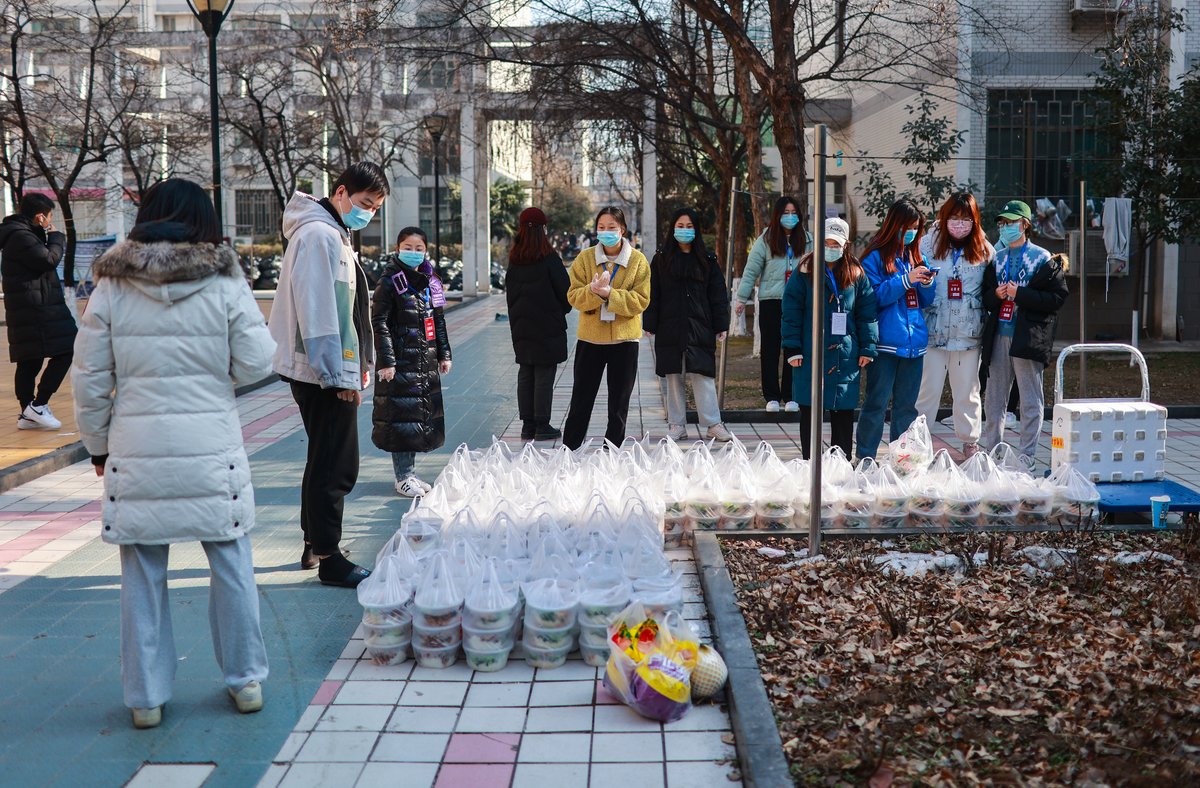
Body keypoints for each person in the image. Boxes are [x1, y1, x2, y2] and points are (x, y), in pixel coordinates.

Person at [71, 178, 275, 730]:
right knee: (231, 559)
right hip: (212, 443)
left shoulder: (111, 285)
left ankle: (145, 697)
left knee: (141, 568)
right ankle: (246, 680)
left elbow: (89, 379)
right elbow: (257, 363)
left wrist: (98, 447)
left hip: (136, 445)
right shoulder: (225, 277)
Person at [271, 162, 389, 586]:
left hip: (327, 368)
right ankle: (328, 555)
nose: (367, 213)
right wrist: (337, 376)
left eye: (374, 208)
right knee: (337, 465)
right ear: (340, 193)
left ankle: (313, 542)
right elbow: (320, 312)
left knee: (323, 457)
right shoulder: (320, 235)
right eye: (363, 203)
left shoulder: (330, 233)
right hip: (324, 372)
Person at [981, 200, 1069, 469]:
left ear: (1025, 225)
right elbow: (985, 297)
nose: (1005, 227)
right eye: (1002, 223)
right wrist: (995, 296)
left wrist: (1020, 294)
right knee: (994, 398)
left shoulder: (1043, 258)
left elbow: (1056, 297)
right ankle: (992, 450)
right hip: (999, 335)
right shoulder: (997, 258)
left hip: (1027, 336)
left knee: (1031, 399)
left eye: (1011, 222)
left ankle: (1027, 455)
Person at [781, 217, 878, 459]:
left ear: (845, 245)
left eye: (836, 243)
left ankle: (841, 465)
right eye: (826, 242)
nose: (831, 248)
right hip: (811, 351)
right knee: (810, 411)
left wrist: (868, 348)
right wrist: (792, 348)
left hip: (845, 354)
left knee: (843, 412)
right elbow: (791, 311)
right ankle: (810, 463)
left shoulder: (856, 273)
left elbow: (867, 314)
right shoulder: (804, 271)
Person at [372, 227, 453, 495]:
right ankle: (403, 477)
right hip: (400, 362)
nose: (413, 253)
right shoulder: (389, 281)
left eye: (419, 249)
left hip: (424, 359)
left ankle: (410, 474)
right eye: (408, 247)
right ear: (397, 249)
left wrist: (444, 354)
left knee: (415, 418)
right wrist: (387, 361)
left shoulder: (432, 281)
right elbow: (379, 321)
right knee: (401, 418)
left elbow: (437, 320)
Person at [562, 206, 651, 450]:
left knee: (619, 403)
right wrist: (593, 292)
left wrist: (611, 294)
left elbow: (641, 300)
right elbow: (573, 296)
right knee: (581, 399)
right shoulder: (585, 258)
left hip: (625, 342)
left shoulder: (638, 261)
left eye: (611, 228)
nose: (606, 232)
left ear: (622, 229)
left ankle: (611, 450)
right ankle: (570, 448)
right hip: (591, 340)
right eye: (601, 228)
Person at [856, 198, 936, 461]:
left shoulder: (915, 256)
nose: (910, 233)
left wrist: (925, 282)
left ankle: (901, 462)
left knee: (906, 408)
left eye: (915, 228)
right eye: (906, 227)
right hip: (885, 344)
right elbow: (873, 297)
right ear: (894, 225)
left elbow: (925, 301)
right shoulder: (874, 257)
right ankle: (866, 458)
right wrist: (906, 280)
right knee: (876, 404)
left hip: (914, 345)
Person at [914, 192, 994, 458]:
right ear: (944, 217)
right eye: (955, 218)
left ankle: (970, 442)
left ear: (975, 220)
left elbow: (991, 285)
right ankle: (917, 441)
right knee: (928, 389)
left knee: (968, 391)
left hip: (968, 332)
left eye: (966, 219)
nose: (960, 224)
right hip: (932, 330)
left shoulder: (983, 247)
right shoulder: (926, 244)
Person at [643, 207, 733, 443]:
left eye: (689, 226)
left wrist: (721, 324)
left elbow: (718, 294)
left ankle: (713, 423)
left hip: (700, 326)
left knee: (702, 375)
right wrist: (649, 322)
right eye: (680, 226)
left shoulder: (707, 259)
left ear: (697, 229)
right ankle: (677, 424)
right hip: (669, 326)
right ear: (673, 229)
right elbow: (654, 293)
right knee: (673, 376)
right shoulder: (661, 258)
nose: (684, 230)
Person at [0, 193, 77, 430]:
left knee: (30, 360)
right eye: (49, 216)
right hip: (37, 308)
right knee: (68, 347)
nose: (50, 221)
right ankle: (38, 405)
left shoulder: (19, 234)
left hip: (32, 306)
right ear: (40, 216)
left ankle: (27, 413)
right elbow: (48, 260)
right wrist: (56, 236)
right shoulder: (20, 236)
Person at [734, 195, 810, 413]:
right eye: (785, 213)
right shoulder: (765, 240)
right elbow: (751, 270)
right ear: (777, 215)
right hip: (771, 302)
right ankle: (772, 396)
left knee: (794, 349)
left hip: (798, 304)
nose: (790, 217)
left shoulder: (808, 239)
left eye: (794, 213)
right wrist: (741, 298)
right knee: (770, 349)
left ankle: (791, 395)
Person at [504, 207, 570, 441]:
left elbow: (510, 295)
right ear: (542, 229)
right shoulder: (549, 259)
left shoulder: (514, 260)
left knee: (526, 371)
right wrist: (558, 311)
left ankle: (527, 425)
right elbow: (567, 293)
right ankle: (542, 425)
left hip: (521, 327)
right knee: (544, 373)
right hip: (547, 326)